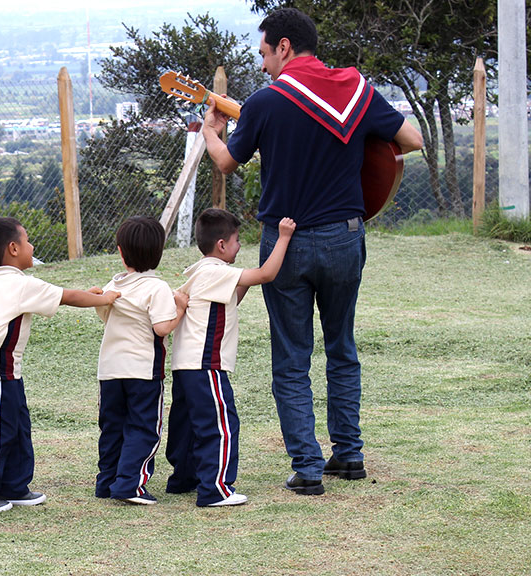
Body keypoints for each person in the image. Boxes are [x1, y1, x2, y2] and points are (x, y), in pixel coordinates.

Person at [201, 8, 424, 495]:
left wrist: (209, 130)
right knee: (341, 347)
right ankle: (350, 455)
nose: (262, 65)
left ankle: (307, 467)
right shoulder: (354, 89)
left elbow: (226, 164)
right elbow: (411, 139)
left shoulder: (265, 101)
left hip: (287, 242)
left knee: (292, 356)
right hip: (346, 236)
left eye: (263, 53)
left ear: (283, 47)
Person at [0, 217, 121, 513]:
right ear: (13, 249)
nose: (33, 246)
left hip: (8, 369)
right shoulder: (17, 284)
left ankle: (14, 485)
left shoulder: (6, 281)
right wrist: (106, 297)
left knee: (18, 426)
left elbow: (61, 293)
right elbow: (66, 297)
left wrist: (91, 294)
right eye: (28, 240)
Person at [166, 209, 296, 506]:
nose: (240, 247)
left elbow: (233, 297)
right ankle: (215, 489)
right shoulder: (215, 272)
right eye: (237, 241)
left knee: (187, 426)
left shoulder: (201, 271)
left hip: (185, 367)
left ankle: (184, 479)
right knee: (220, 425)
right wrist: (284, 237)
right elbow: (267, 274)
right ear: (222, 245)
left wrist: (243, 279)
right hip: (207, 365)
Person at [94, 216, 187, 505]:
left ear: (121, 253)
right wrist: (180, 309)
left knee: (112, 427)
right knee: (143, 427)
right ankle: (130, 485)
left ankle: (107, 481)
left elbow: (105, 314)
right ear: (159, 253)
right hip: (143, 370)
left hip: (110, 370)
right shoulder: (156, 288)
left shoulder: (114, 284)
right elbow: (161, 328)